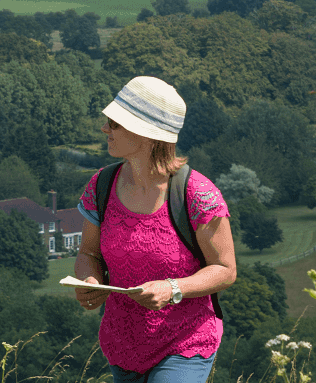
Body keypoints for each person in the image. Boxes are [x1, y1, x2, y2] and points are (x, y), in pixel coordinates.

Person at [74, 76, 237, 383]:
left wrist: (173, 288)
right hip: (122, 346)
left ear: (145, 134)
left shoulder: (198, 194)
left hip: (185, 343)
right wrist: (90, 279)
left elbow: (225, 270)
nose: (104, 128)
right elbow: (88, 253)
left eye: (114, 123)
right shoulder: (101, 186)